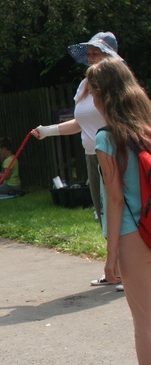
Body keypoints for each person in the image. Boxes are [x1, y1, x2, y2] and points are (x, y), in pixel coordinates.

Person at [86, 57, 151, 365]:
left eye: (93, 92)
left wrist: (110, 256)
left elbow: (114, 198)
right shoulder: (148, 128)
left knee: (145, 321)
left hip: (133, 235)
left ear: (103, 96)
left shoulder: (107, 138)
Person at [30, 32, 123, 288]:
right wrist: (48, 131)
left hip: (116, 154)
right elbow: (81, 122)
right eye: (90, 53)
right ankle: (113, 268)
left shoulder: (116, 82)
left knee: (121, 211)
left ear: (110, 56)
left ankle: (130, 269)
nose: (92, 58)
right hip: (92, 155)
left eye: (97, 53)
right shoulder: (85, 85)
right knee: (104, 214)